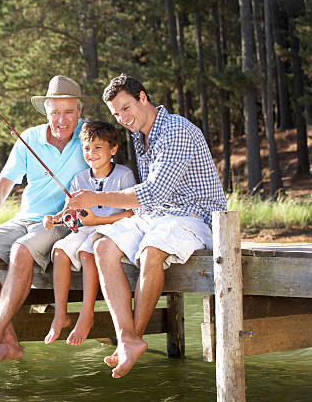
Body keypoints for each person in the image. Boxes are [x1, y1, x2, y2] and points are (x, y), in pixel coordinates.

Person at [66, 73, 227, 378]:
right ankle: (127, 337)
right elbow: (151, 201)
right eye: (116, 114)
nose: (123, 118)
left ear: (143, 97)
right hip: (159, 214)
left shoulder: (175, 131)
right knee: (102, 245)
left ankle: (131, 339)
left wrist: (94, 197)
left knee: (151, 251)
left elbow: (153, 192)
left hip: (197, 214)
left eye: (126, 108)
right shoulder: (140, 134)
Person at [0, 75, 95, 374]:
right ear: (46, 111)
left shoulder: (89, 136)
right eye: (55, 112)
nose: (61, 120)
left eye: (68, 112)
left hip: (62, 222)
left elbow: (108, 168)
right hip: (25, 218)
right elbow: (1, 185)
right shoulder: (28, 138)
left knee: (21, 250)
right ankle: (9, 342)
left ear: (80, 112)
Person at [43, 121, 135, 346]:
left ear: (113, 149)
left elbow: (132, 213)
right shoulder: (80, 179)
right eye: (86, 148)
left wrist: (99, 221)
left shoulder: (124, 175)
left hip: (114, 229)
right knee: (59, 252)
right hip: (87, 228)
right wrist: (53, 220)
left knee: (87, 252)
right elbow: (69, 211)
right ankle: (60, 314)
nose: (91, 153)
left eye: (98, 148)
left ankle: (86, 314)